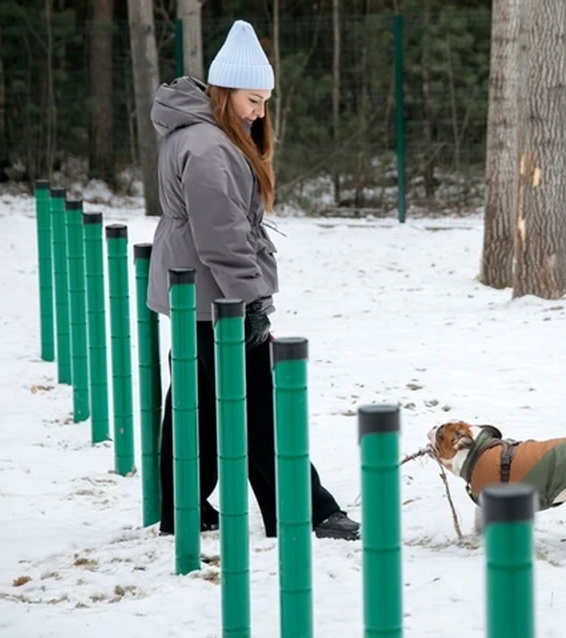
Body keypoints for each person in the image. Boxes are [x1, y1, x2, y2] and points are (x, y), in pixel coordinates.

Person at [145, 19, 360, 541]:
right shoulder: (211, 148)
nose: (260, 112)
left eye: (265, 101)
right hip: (216, 297)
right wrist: (252, 299)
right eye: (252, 100)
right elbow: (220, 236)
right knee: (260, 404)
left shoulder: (198, 136)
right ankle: (306, 509)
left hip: (196, 291)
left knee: (195, 401)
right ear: (224, 93)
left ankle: (184, 507)